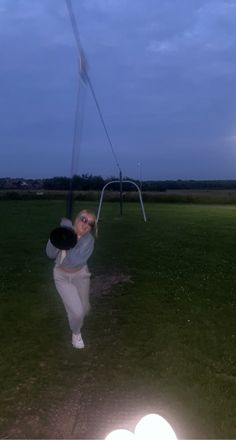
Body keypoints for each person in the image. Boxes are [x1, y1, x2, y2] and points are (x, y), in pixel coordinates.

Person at [46, 209, 97, 349]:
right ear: (76, 219)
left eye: (91, 224)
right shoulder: (62, 232)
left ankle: (73, 313)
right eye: (83, 219)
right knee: (77, 312)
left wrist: (67, 239)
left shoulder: (88, 240)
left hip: (81, 275)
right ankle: (76, 334)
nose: (86, 225)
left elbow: (73, 260)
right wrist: (59, 235)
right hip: (61, 275)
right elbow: (50, 254)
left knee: (85, 309)